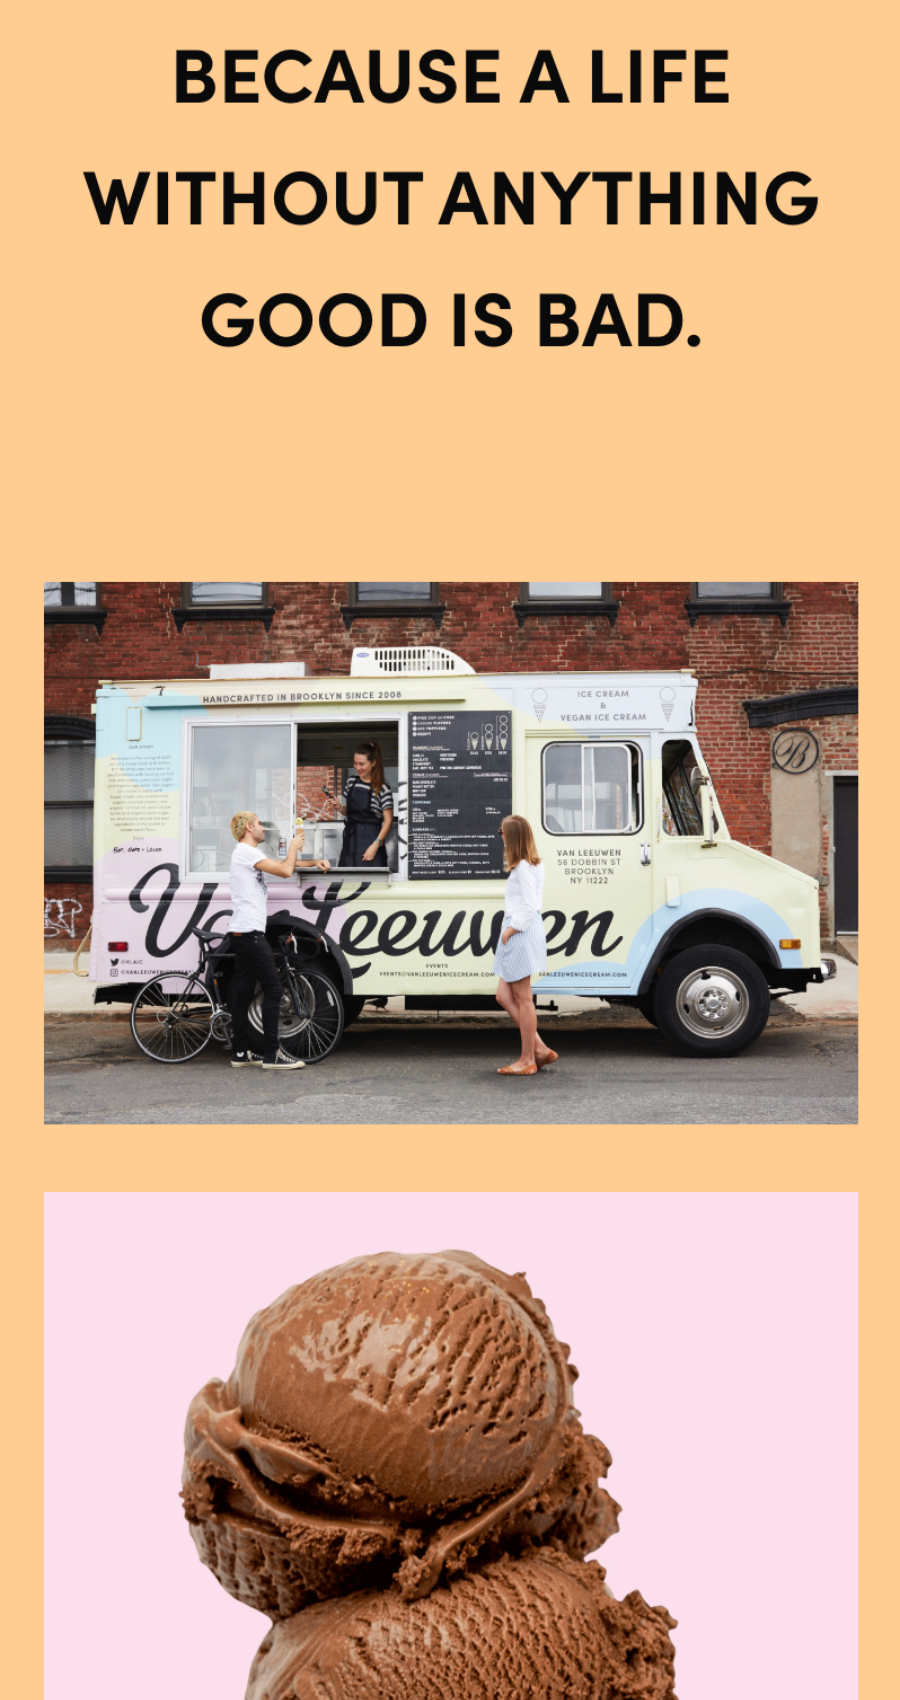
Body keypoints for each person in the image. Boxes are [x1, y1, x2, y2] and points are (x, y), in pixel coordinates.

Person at [227, 810, 331, 1071]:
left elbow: (282, 864)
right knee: (274, 990)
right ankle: (272, 1054)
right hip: (250, 934)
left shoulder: (246, 854)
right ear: (249, 827)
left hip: (242, 932)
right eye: (260, 824)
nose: (264, 828)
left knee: (241, 994)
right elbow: (285, 870)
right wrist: (295, 846)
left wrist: (313, 861)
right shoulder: (246, 852)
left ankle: (240, 1052)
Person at [493, 814, 557, 1077]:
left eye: (502, 832)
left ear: (513, 836)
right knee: (504, 995)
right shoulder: (533, 864)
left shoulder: (521, 868)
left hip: (519, 930)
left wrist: (509, 930)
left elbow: (530, 906)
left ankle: (528, 1059)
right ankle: (539, 1049)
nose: (501, 836)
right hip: (522, 930)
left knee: (523, 996)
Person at [334, 741, 394, 867]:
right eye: (355, 763)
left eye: (362, 764)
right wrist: (339, 807)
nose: (357, 767)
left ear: (373, 763)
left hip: (371, 842)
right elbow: (349, 812)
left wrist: (375, 845)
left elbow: (388, 821)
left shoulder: (382, 787)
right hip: (350, 842)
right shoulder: (351, 782)